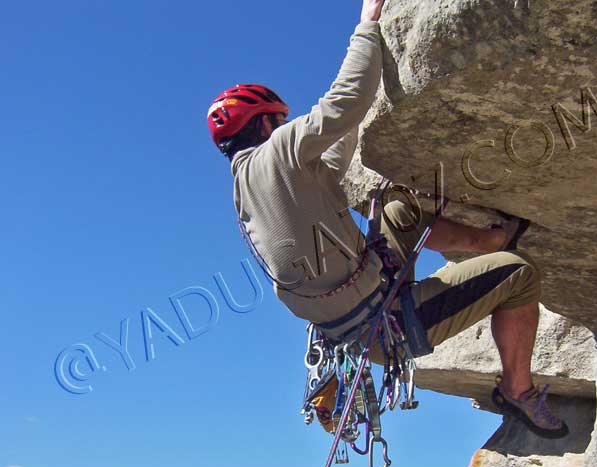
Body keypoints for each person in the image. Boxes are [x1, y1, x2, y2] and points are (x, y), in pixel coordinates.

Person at [206, 0, 568, 439]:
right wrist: (367, 28)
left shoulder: (248, 188)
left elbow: (333, 165)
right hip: (387, 322)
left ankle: (487, 243)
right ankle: (517, 390)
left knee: (400, 209)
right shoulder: (277, 152)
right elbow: (343, 103)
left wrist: (358, 115)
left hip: (367, 301)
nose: (286, 123)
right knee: (521, 275)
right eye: (281, 120)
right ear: (265, 125)